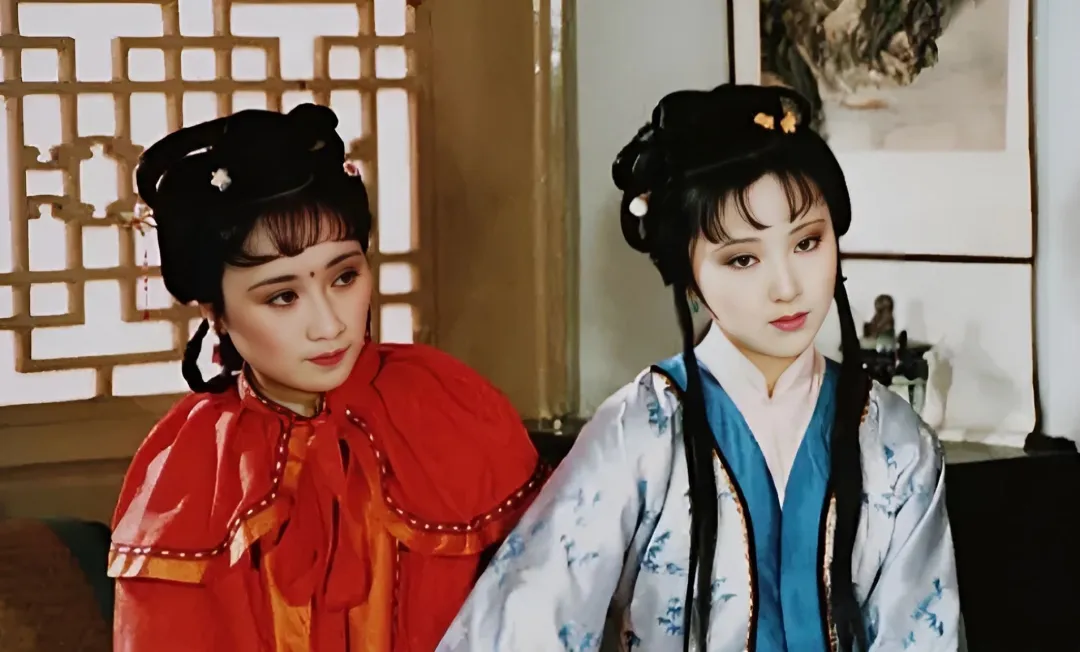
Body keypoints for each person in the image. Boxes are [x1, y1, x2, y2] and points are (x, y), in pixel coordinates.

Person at [437, 85, 962, 651]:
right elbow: (524, 624)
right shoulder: (640, 433)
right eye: (743, 258)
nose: (787, 286)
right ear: (688, 274)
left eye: (808, 242)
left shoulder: (894, 442)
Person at [107, 104, 547, 651]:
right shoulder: (192, 463)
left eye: (344, 277)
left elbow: (542, 605)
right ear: (214, 312)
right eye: (282, 296)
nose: (330, 324)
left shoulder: (446, 406)